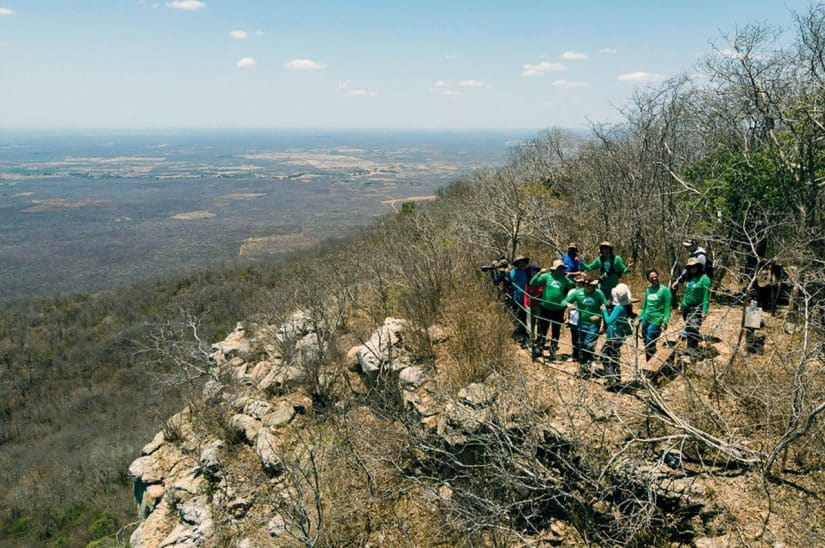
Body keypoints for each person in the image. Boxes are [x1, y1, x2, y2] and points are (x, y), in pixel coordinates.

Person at [562, 274, 607, 377]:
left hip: (594, 324)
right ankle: (584, 368)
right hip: (581, 323)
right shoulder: (578, 293)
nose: (595, 287)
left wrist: (599, 315)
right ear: (586, 285)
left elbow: (606, 306)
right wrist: (568, 304)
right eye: (592, 285)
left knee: (589, 345)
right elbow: (564, 301)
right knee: (582, 344)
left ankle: (587, 367)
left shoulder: (599, 293)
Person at [529, 259, 574, 361]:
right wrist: (540, 272)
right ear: (555, 268)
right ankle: (539, 350)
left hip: (558, 309)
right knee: (542, 329)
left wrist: (566, 301)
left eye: (562, 268)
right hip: (545, 308)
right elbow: (532, 283)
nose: (561, 270)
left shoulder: (564, 279)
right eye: (559, 268)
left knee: (556, 331)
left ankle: (553, 352)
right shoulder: (547, 276)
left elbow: (572, 286)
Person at [601, 283, 633, 391]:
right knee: (615, 357)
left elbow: (609, 321)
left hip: (613, 336)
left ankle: (611, 379)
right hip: (620, 336)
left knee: (604, 355)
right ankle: (617, 380)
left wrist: (604, 310)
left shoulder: (619, 308)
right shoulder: (626, 307)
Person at [679, 257, 711, 357]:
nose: (693, 268)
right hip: (686, 306)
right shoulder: (690, 278)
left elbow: (706, 296)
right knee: (689, 328)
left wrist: (704, 310)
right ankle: (691, 348)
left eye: (694, 266)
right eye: (690, 267)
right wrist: (681, 305)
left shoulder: (705, 279)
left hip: (697, 307)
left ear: (698, 266)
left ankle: (693, 350)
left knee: (693, 328)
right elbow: (686, 293)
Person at [639, 268, 671, 361]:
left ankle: (650, 363)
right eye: (651, 277)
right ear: (648, 279)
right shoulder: (648, 290)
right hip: (646, 318)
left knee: (650, 340)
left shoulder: (664, 290)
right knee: (645, 340)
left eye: (655, 277)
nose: (654, 279)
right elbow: (645, 306)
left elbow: (667, 307)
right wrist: (640, 318)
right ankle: (650, 357)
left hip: (657, 320)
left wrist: (665, 321)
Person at [508, 256, 531, 347]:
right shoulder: (515, 272)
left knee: (525, 318)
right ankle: (521, 336)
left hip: (527, 298)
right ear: (517, 264)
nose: (522, 264)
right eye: (520, 262)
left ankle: (525, 336)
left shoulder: (527, 272)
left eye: (523, 262)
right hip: (518, 298)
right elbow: (509, 279)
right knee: (519, 317)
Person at [566, 275, 586, 362]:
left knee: (583, 338)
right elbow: (566, 303)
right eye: (578, 282)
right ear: (575, 282)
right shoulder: (571, 291)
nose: (579, 284)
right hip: (573, 318)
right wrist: (567, 316)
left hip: (583, 319)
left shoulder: (586, 292)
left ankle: (584, 356)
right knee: (574, 338)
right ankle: (575, 355)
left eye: (581, 283)